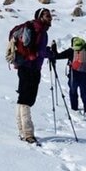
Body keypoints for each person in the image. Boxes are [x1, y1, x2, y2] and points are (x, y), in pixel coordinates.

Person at [14, 8, 53, 143]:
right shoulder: (40, 30)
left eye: (50, 16)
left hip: (24, 66)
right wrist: (50, 53)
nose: (50, 18)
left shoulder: (35, 29)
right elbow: (40, 52)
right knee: (27, 100)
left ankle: (22, 131)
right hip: (31, 68)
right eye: (47, 16)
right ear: (40, 17)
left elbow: (38, 49)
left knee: (22, 99)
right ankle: (28, 134)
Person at [51, 36, 86, 120]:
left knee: (73, 91)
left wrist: (53, 48)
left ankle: (74, 109)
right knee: (85, 94)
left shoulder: (71, 51)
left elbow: (57, 56)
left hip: (74, 75)